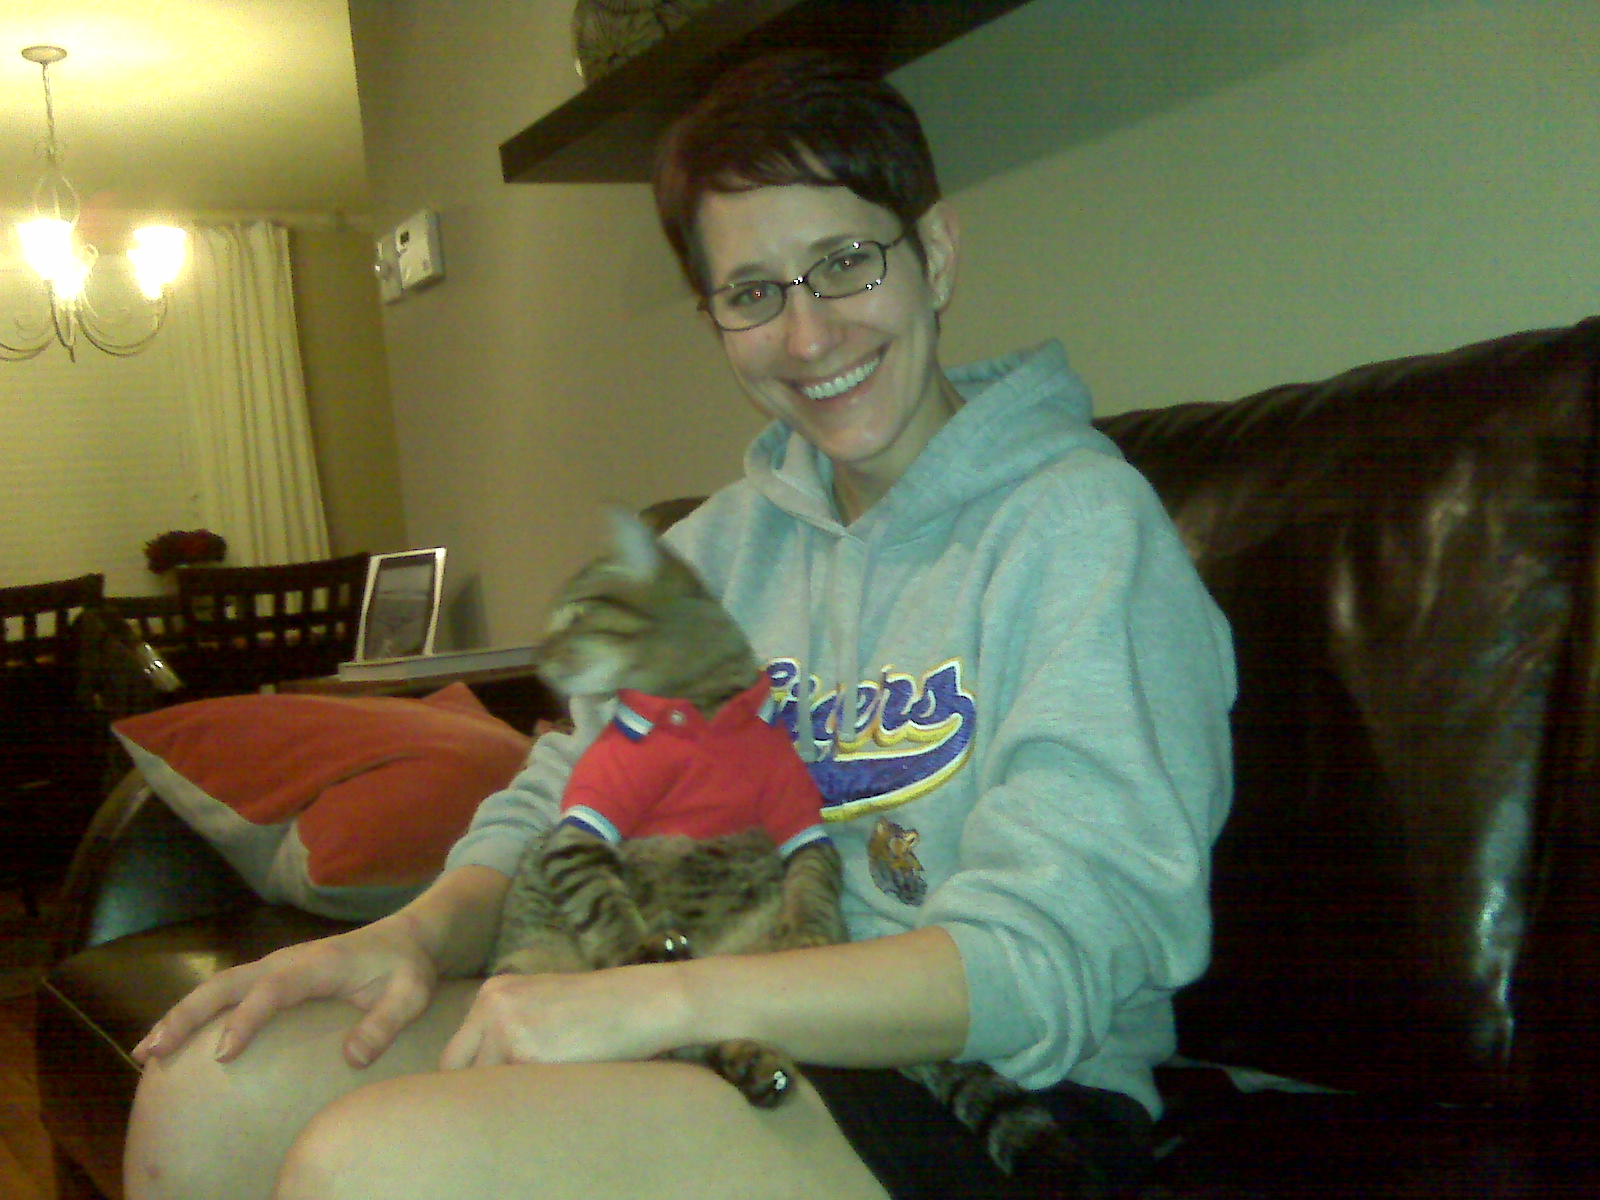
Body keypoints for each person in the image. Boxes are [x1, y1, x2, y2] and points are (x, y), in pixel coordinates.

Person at [124, 51, 1235, 1200]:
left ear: (936, 253)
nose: (807, 336)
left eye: (844, 263)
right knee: (209, 1088)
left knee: (375, 1168)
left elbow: (1056, 953)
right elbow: (564, 794)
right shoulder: (711, 554)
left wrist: (652, 1001)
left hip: (988, 1080)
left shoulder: (1081, 532)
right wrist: (414, 934)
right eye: (752, 293)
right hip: (697, 1013)